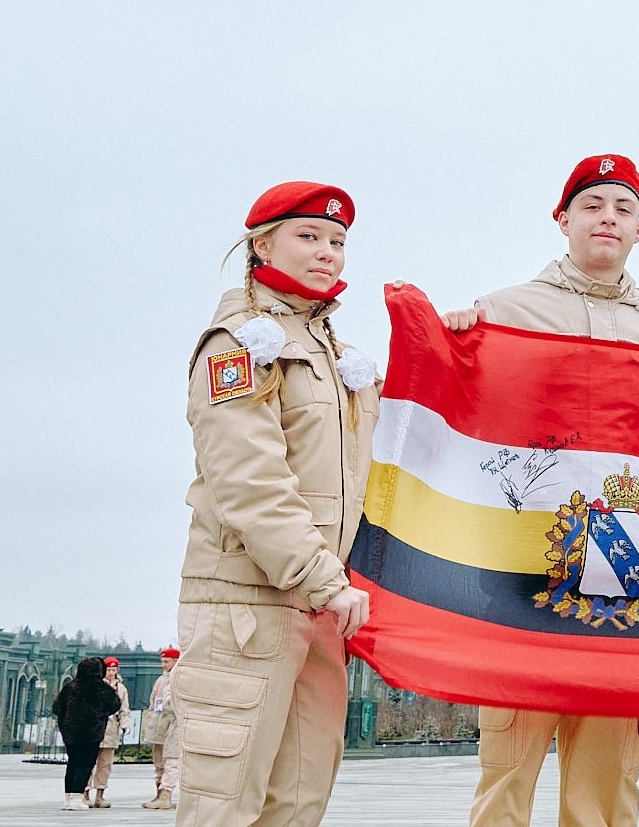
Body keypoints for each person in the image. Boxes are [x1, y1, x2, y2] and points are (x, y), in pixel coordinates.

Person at [449, 155, 639, 827]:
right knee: (508, 773)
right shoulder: (503, 313)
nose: (607, 217)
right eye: (591, 205)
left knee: (606, 788)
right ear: (563, 220)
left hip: (624, 571)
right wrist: (447, 346)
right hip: (526, 570)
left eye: (621, 208)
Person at [174, 182, 381, 827]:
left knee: (297, 805)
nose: (328, 252)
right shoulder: (237, 346)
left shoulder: (338, 357)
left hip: (321, 608)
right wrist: (324, 580)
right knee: (225, 806)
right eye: (309, 237)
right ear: (262, 243)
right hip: (248, 606)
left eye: (338, 242)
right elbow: (250, 482)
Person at [54, 658, 122, 812]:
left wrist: (65, 722)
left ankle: (68, 798)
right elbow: (115, 704)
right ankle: (78, 797)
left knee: (72, 764)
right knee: (85, 765)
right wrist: (101, 713)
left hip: (71, 733)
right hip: (92, 733)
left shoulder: (69, 687)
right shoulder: (100, 687)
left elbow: (57, 707)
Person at [86, 656, 131, 807]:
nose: (111, 673)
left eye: (114, 669)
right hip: (95, 727)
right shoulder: (95, 686)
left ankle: (100, 794)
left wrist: (125, 724)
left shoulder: (121, 689)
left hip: (111, 729)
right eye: (108, 669)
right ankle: (85, 793)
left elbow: (124, 709)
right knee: (89, 762)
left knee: (105, 764)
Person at [142, 647, 181, 810]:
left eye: (167, 661)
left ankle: (166, 793)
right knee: (158, 762)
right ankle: (158, 792)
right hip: (159, 725)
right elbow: (153, 703)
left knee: (172, 759)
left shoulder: (178, 678)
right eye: (162, 662)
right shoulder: (160, 680)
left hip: (174, 724)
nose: (163, 665)